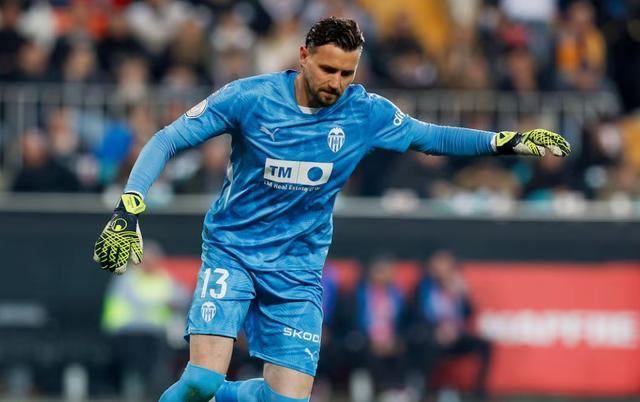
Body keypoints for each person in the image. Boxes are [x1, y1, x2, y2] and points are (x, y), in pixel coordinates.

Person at [93, 17, 570, 402]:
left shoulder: (365, 113)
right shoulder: (250, 97)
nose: (336, 83)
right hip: (233, 251)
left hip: (298, 268)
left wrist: (507, 141)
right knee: (201, 380)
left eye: (347, 73)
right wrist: (128, 209)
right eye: (327, 70)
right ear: (303, 56)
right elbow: (167, 139)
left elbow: (431, 136)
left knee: (286, 400)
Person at [408, 250, 492, 399]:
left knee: (485, 345)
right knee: (427, 347)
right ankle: (425, 391)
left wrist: (463, 294)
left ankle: (478, 392)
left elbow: (468, 313)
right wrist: (436, 329)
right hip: (434, 336)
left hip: (456, 335)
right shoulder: (423, 287)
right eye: (440, 264)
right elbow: (416, 315)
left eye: (447, 264)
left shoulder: (456, 286)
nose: (444, 269)